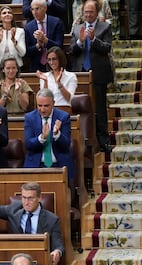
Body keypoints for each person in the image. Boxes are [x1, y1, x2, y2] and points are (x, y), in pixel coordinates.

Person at [0, 182, 64, 265]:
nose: (26, 202)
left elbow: (58, 245)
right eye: (24, 198)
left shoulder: (51, 219)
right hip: (16, 259)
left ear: (39, 198)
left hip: (38, 261)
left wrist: (57, 252)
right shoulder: (14, 210)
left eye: (30, 198)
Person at [70, 0, 113, 152]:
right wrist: (80, 42)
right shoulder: (76, 28)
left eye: (91, 12)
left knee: (100, 109)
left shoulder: (105, 27)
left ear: (97, 13)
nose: (88, 14)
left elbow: (107, 48)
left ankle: (104, 141)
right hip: (80, 74)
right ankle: (85, 141)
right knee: (82, 109)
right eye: (86, 12)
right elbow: (71, 51)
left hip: (98, 74)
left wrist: (94, 39)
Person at [24, 89, 74, 190]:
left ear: (53, 104)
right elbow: (28, 144)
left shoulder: (63, 117)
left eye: (46, 106)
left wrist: (57, 134)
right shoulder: (30, 118)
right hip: (36, 166)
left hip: (59, 166)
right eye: (39, 106)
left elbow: (66, 145)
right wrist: (42, 138)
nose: (42, 110)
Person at [24, 0, 64, 72]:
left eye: (37, 9)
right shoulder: (28, 27)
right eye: (32, 9)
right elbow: (27, 51)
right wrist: (38, 45)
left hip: (55, 64)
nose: (34, 12)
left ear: (45, 8)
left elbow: (59, 46)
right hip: (37, 66)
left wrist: (45, 40)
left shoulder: (56, 22)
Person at [36, 46, 77, 113]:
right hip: (47, 110)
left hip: (64, 110)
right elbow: (43, 98)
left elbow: (69, 99)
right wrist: (45, 81)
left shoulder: (71, 76)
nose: (51, 62)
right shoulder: (45, 76)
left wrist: (59, 83)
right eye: (49, 60)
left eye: (54, 59)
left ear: (60, 59)